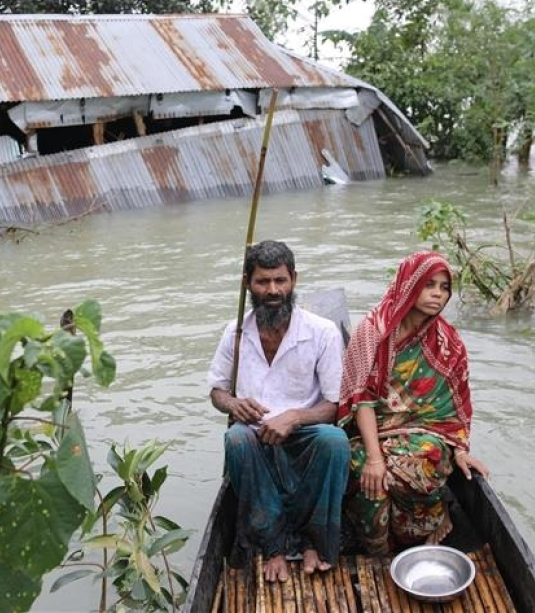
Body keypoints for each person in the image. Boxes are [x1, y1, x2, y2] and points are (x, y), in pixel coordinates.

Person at [207, 240, 350, 583]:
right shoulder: (235, 332)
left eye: (280, 281)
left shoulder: (322, 332)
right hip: (256, 433)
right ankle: (273, 545)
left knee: (335, 442)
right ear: (248, 283)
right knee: (236, 439)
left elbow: (333, 405)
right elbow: (216, 391)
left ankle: (315, 542)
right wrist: (233, 403)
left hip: (305, 432)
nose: (273, 290)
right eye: (263, 282)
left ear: (294, 280)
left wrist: (294, 417)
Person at [338, 251, 490, 556]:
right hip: (370, 432)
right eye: (428, 284)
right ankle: (379, 551)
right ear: (409, 284)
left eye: (444, 287)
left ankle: (422, 528)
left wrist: (460, 449)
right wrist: (374, 458)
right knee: (361, 472)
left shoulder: (449, 343)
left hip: (424, 434)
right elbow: (361, 399)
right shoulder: (373, 330)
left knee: (428, 459)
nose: (437, 294)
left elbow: (455, 404)